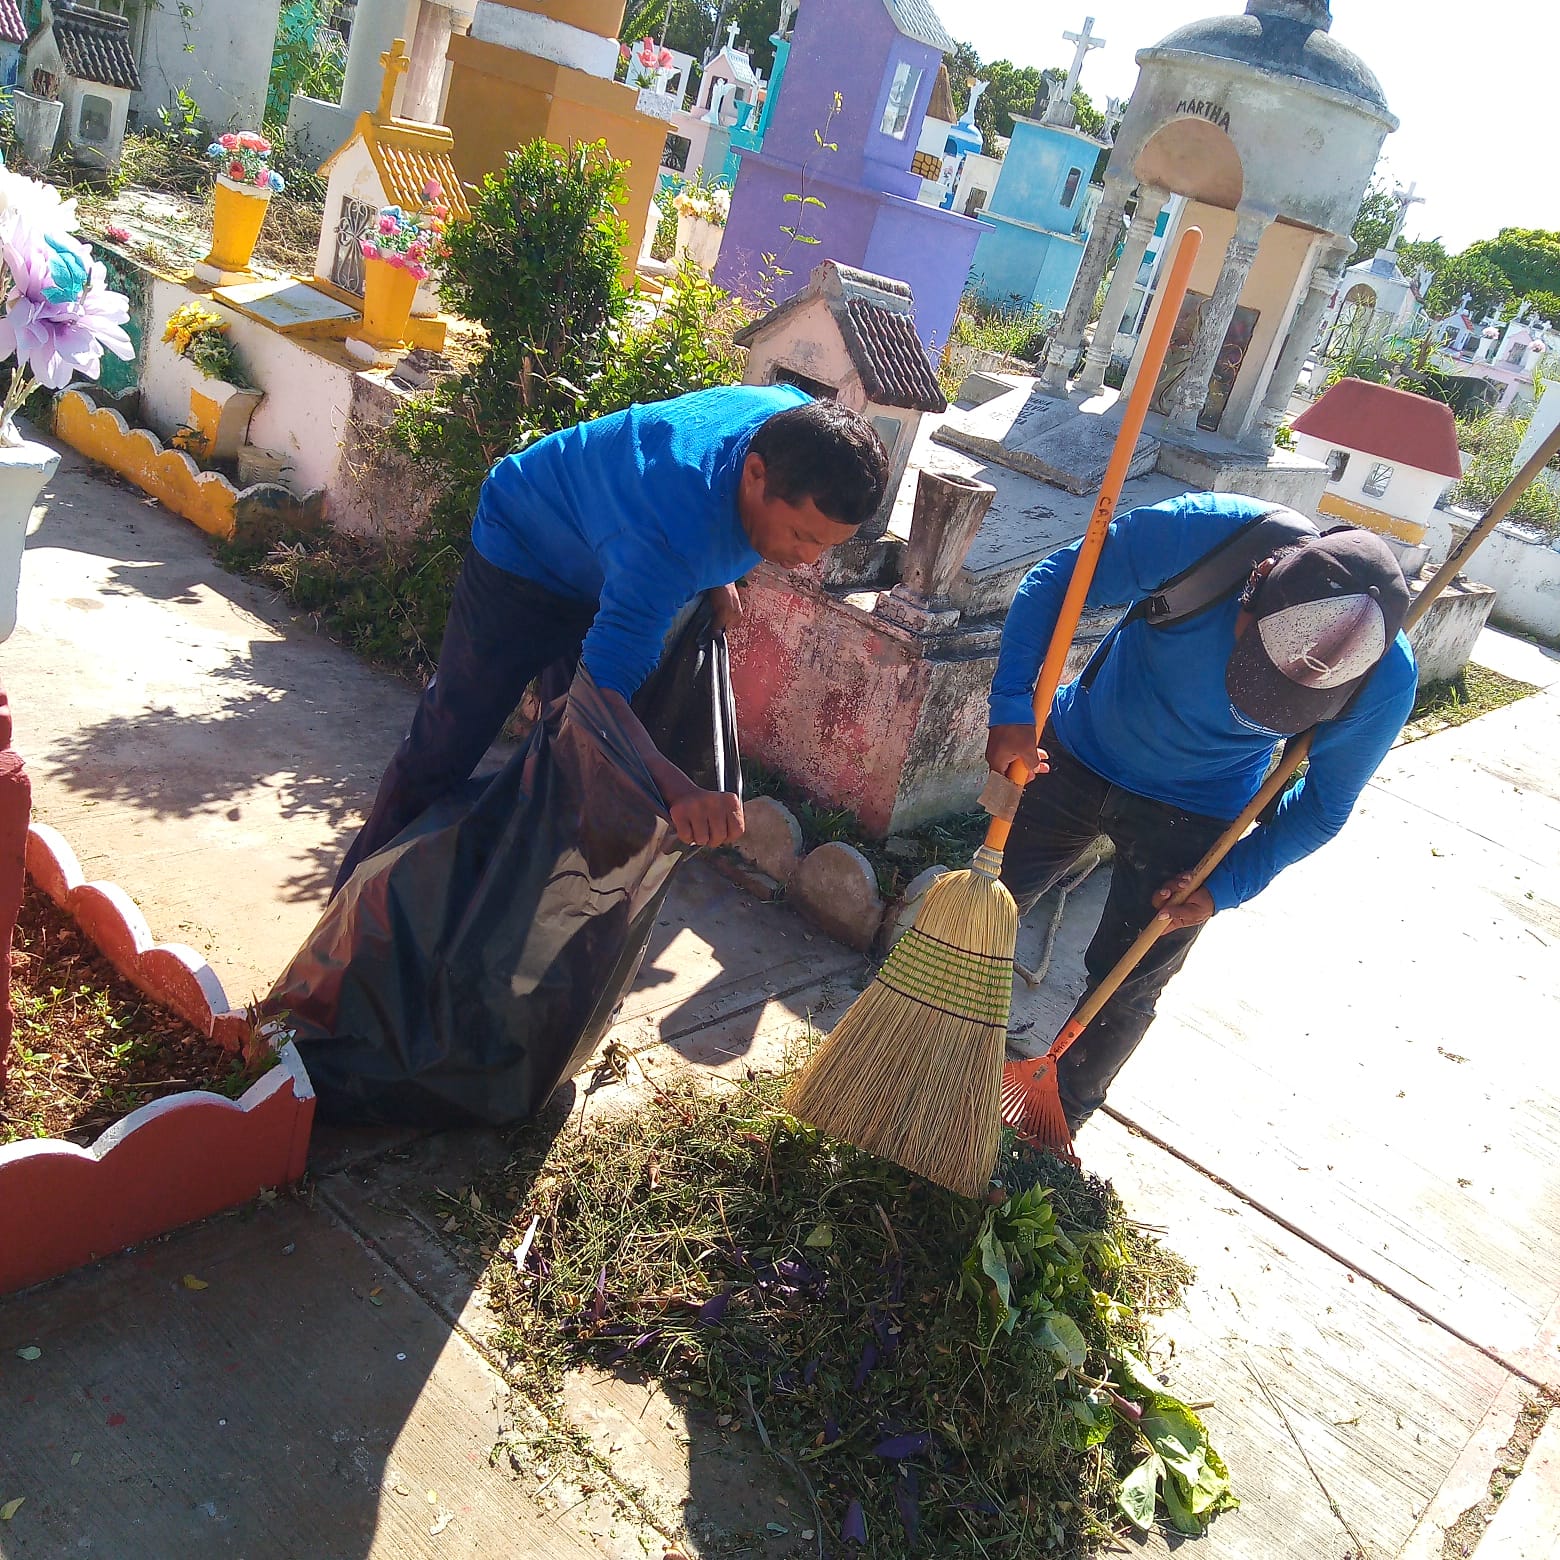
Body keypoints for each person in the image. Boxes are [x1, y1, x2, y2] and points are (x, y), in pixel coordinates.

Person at [334, 385, 890, 894]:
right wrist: (677, 788)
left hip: (614, 557)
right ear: (755, 475)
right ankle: (342, 936)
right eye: (800, 536)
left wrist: (721, 576)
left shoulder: (793, 419)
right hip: (523, 547)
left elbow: (706, 478)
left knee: (573, 776)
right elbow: (600, 693)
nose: (807, 560)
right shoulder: (670, 539)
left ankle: (481, 944)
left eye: (826, 546)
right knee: (445, 744)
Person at [987, 491, 1417, 1134]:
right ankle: (916, 1046)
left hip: (1198, 814)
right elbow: (1057, 582)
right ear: (1255, 589)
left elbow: (1323, 808)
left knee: (1126, 984)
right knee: (983, 905)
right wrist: (1013, 706)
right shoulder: (1205, 538)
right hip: (1073, 753)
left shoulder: (1379, 681)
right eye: (1258, 673)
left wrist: (1224, 885)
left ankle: (1055, 1124)